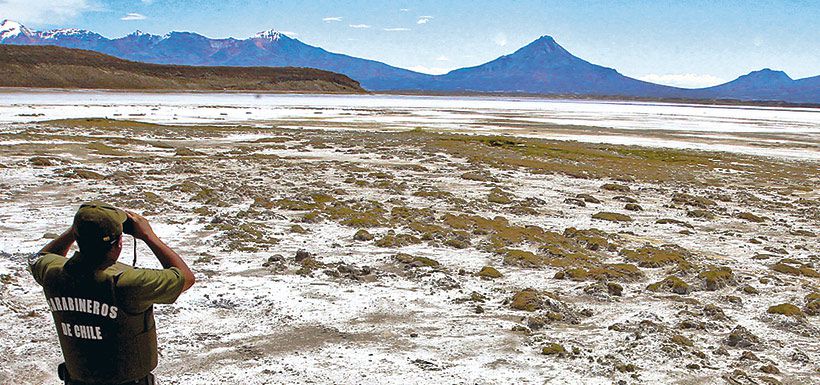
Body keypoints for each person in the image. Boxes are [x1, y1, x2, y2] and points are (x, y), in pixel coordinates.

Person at [28, 201, 196, 385]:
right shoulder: (128, 283)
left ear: (78, 238)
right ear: (119, 244)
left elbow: (40, 257)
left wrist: (77, 231)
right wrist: (148, 236)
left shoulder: (54, 273)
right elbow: (186, 277)